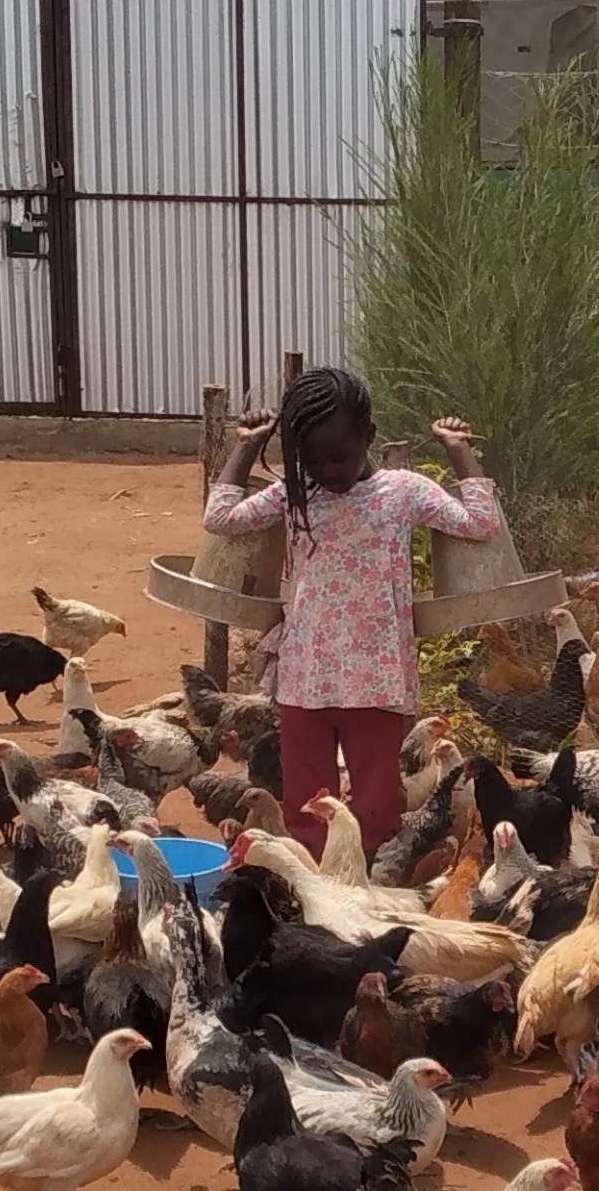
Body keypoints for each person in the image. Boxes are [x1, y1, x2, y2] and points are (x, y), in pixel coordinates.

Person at [202, 367, 498, 865]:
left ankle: (375, 895)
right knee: (307, 810)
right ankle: (313, 895)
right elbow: (221, 519)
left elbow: (480, 523)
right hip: (306, 678)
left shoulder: (404, 491)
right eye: (311, 460)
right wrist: (249, 445)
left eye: (339, 456)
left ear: (370, 438)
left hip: (376, 680)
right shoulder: (297, 494)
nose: (327, 471)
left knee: (378, 809)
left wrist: (456, 448)